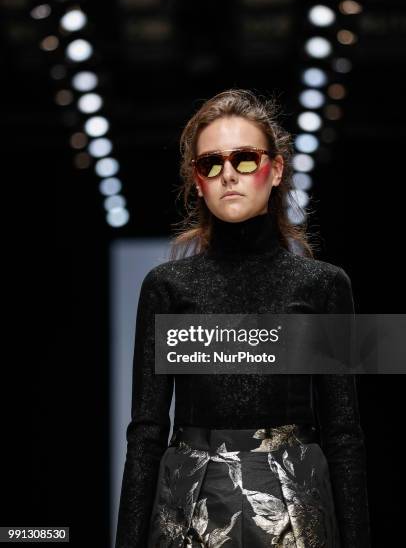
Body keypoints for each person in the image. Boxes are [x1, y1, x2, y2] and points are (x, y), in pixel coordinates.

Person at [115, 89, 370, 547]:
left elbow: (344, 433)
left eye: (245, 159)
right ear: (197, 182)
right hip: (189, 510)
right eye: (210, 163)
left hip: (297, 511)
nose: (228, 174)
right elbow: (146, 433)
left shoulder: (324, 286)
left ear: (276, 170)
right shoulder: (167, 288)